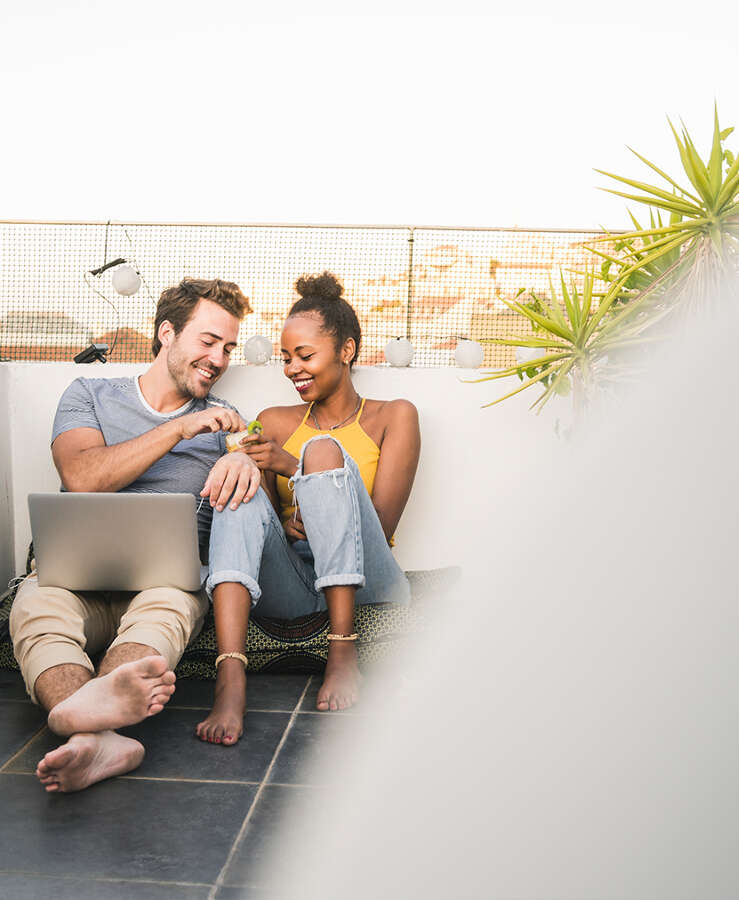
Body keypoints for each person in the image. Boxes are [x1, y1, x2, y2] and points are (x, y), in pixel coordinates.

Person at [9, 277, 261, 792]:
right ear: (167, 333)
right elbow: (82, 478)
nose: (219, 358)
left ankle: (81, 733)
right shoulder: (91, 393)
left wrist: (247, 464)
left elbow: (251, 471)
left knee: (166, 610)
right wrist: (177, 429)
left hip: (164, 583)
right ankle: (99, 729)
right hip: (74, 575)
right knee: (36, 607)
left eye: (229, 347)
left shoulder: (228, 421)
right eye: (208, 341)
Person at [196, 271, 420, 744]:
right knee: (239, 477)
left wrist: (294, 467)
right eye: (285, 358)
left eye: (305, 355)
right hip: (295, 583)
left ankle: (342, 651)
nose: (292, 368)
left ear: (347, 351)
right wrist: (269, 492)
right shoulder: (277, 420)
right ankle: (230, 676)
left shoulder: (395, 415)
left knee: (321, 451)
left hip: (368, 579)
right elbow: (253, 520)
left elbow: (379, 523)